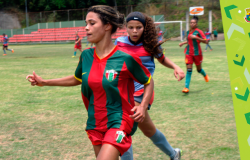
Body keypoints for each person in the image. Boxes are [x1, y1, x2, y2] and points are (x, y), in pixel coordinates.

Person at [26, 5, 154, 160]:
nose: (86, 28)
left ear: (107, 26)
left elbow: (148, 81)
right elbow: (77, 79)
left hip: (120, 121)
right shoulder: (86, 56)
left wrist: (142, 105)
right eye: (86, 23)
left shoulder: (126, 58)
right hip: (95, 121)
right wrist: (44, 82)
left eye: (92, 23)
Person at [115, 11, 185, 160]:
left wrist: (176, 67)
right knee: (149, 130)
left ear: (144, 27)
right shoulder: (119, 42)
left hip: (143, 91)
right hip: (123, 91)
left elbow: (162, 59)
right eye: (131, 27)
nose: (134, 31)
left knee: (123, 128)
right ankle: (174, 154)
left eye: (138, 27)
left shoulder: (150, 44)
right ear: (126, 27)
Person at [179, 16, 209, 93]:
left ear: (196, 23)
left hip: (197, 53)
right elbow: (189, 40)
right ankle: (186, 88)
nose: (192, 24)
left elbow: (206, 41)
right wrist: (183, 43)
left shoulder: (199, 31)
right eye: (191, 22)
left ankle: (205, 75)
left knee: (199, 70)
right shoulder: (188, 32)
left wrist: (196, 37)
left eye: (194, 23)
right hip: (188, 53)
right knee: (189, 70)